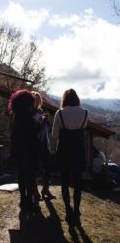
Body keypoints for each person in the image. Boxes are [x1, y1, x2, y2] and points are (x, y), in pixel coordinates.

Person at [52, 89, 88, 225]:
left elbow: (54, 135)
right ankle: (77, 210)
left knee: (65, 182)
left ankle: (68, 209)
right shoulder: (85, 113)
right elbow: (84, 126)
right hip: (78, 151)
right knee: (78, 182)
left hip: (64, 151)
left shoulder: (60, 113)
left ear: (65, 99)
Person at [8, 89, 39, 210]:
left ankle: (22, 198)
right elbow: (34, 133)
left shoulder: (16, 116)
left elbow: (14, 135)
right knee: (31, 174)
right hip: (31, 149)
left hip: (19, 149)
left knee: (21, 174)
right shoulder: (31, 116)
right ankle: (29, 199)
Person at [31, 91, 56, 201]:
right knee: (35, 169)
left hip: (45, 143)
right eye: (34, 99)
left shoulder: (40, 111)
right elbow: (34, 129)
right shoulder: (30, 113)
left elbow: (45, 130)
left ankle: (45, 189)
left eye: (38, 99)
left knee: (48, 167)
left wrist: (46, 121)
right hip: (35, 145)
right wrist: (41, 121)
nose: (36, 101)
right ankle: (35, 191)